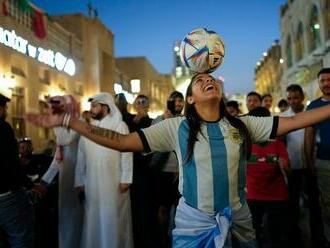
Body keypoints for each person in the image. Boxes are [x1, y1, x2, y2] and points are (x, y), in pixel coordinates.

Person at [27, 73, 330, 247]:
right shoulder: (176, 127)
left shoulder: (244, 124)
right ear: (190, 99)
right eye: (200, 81)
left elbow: (300, 120)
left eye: (211, 77)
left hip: (239, 222)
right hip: (193, 226)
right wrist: (70, 121)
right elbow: (121, 141)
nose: (208, 80)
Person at [74, 92, 133, 248]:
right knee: (93, 219)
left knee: (113, 219)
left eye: (95, 106)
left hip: (114, 182)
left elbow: (127, 151)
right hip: (92, 182)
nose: (91, 109)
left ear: (105, 107)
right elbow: (81, 155)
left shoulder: (119, 126)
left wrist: (126, 178)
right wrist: (79, 179)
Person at [281, 84, 326, 248]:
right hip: (293, 168)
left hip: (310, 166)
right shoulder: (283, 117)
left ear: (302, 97)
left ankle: (318, 238)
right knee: (292, 205)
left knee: (315, 204)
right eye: (290, 98)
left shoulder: (311, 114)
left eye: (296, 97)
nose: (293, 101)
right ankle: (294, 239)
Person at [41, 95, 84, 248]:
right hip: (66, 176)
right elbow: (58, 158)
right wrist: (45, 180)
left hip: (79, 176)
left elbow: (66, 140)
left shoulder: (78, 123)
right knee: (66, 215)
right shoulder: (61, 124)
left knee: (77, 215)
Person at [246, 107, 290, 248]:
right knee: (253, 231)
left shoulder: (277, 143)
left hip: (276, 196)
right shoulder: (244, 144)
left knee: (275, 232)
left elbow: (288, 172)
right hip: (253, 195)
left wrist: (284, 166)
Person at [0, 93, 34, 248]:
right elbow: (11, 164)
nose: (6, 111)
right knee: (20, 237)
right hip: (6, 195)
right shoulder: (3, 128)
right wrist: (30, 185)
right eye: (5, 107)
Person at [151, 91, 184, 247]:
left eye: (180, 100)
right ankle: (162, 238)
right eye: (175, 100)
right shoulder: (160, 118)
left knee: (179, 210)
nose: (178, 103)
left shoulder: (186, 120)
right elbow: (151, 135)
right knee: (162, 208)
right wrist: (164, 119)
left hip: (180, 174)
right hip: (162, 171)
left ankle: (176, 239)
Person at [128, 94, 160, 248]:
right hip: (132, 172)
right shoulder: (129, 122)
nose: (140, 104)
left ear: (147, 105)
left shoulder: (152, 123)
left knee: (147, 209)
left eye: (143, 102)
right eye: (138, 102)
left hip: (148, 172)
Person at [305, 68, 330, 245]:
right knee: (327, 204)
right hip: (323, 163)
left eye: (329, 80)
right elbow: (309, 135)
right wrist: (309, 161)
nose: (326, 83)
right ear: (319, 83)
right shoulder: (313, 107)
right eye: (323, 80)